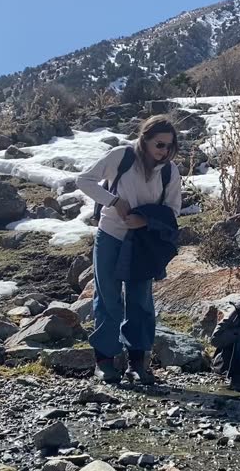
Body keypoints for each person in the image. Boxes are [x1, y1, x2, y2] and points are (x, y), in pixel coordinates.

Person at [77, 116, 182, 385]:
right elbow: (84, 180)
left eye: (170, 146)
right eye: (159, 144)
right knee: (108, 297)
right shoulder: (121, 157)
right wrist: (114, 201)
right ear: (144, 140)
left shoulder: (170, 171)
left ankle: (138, 364)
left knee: (140, 300)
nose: (164, 151)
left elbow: (173, 210)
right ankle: (104, 363)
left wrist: (145, 220)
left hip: (143, 241)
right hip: (110, 235)